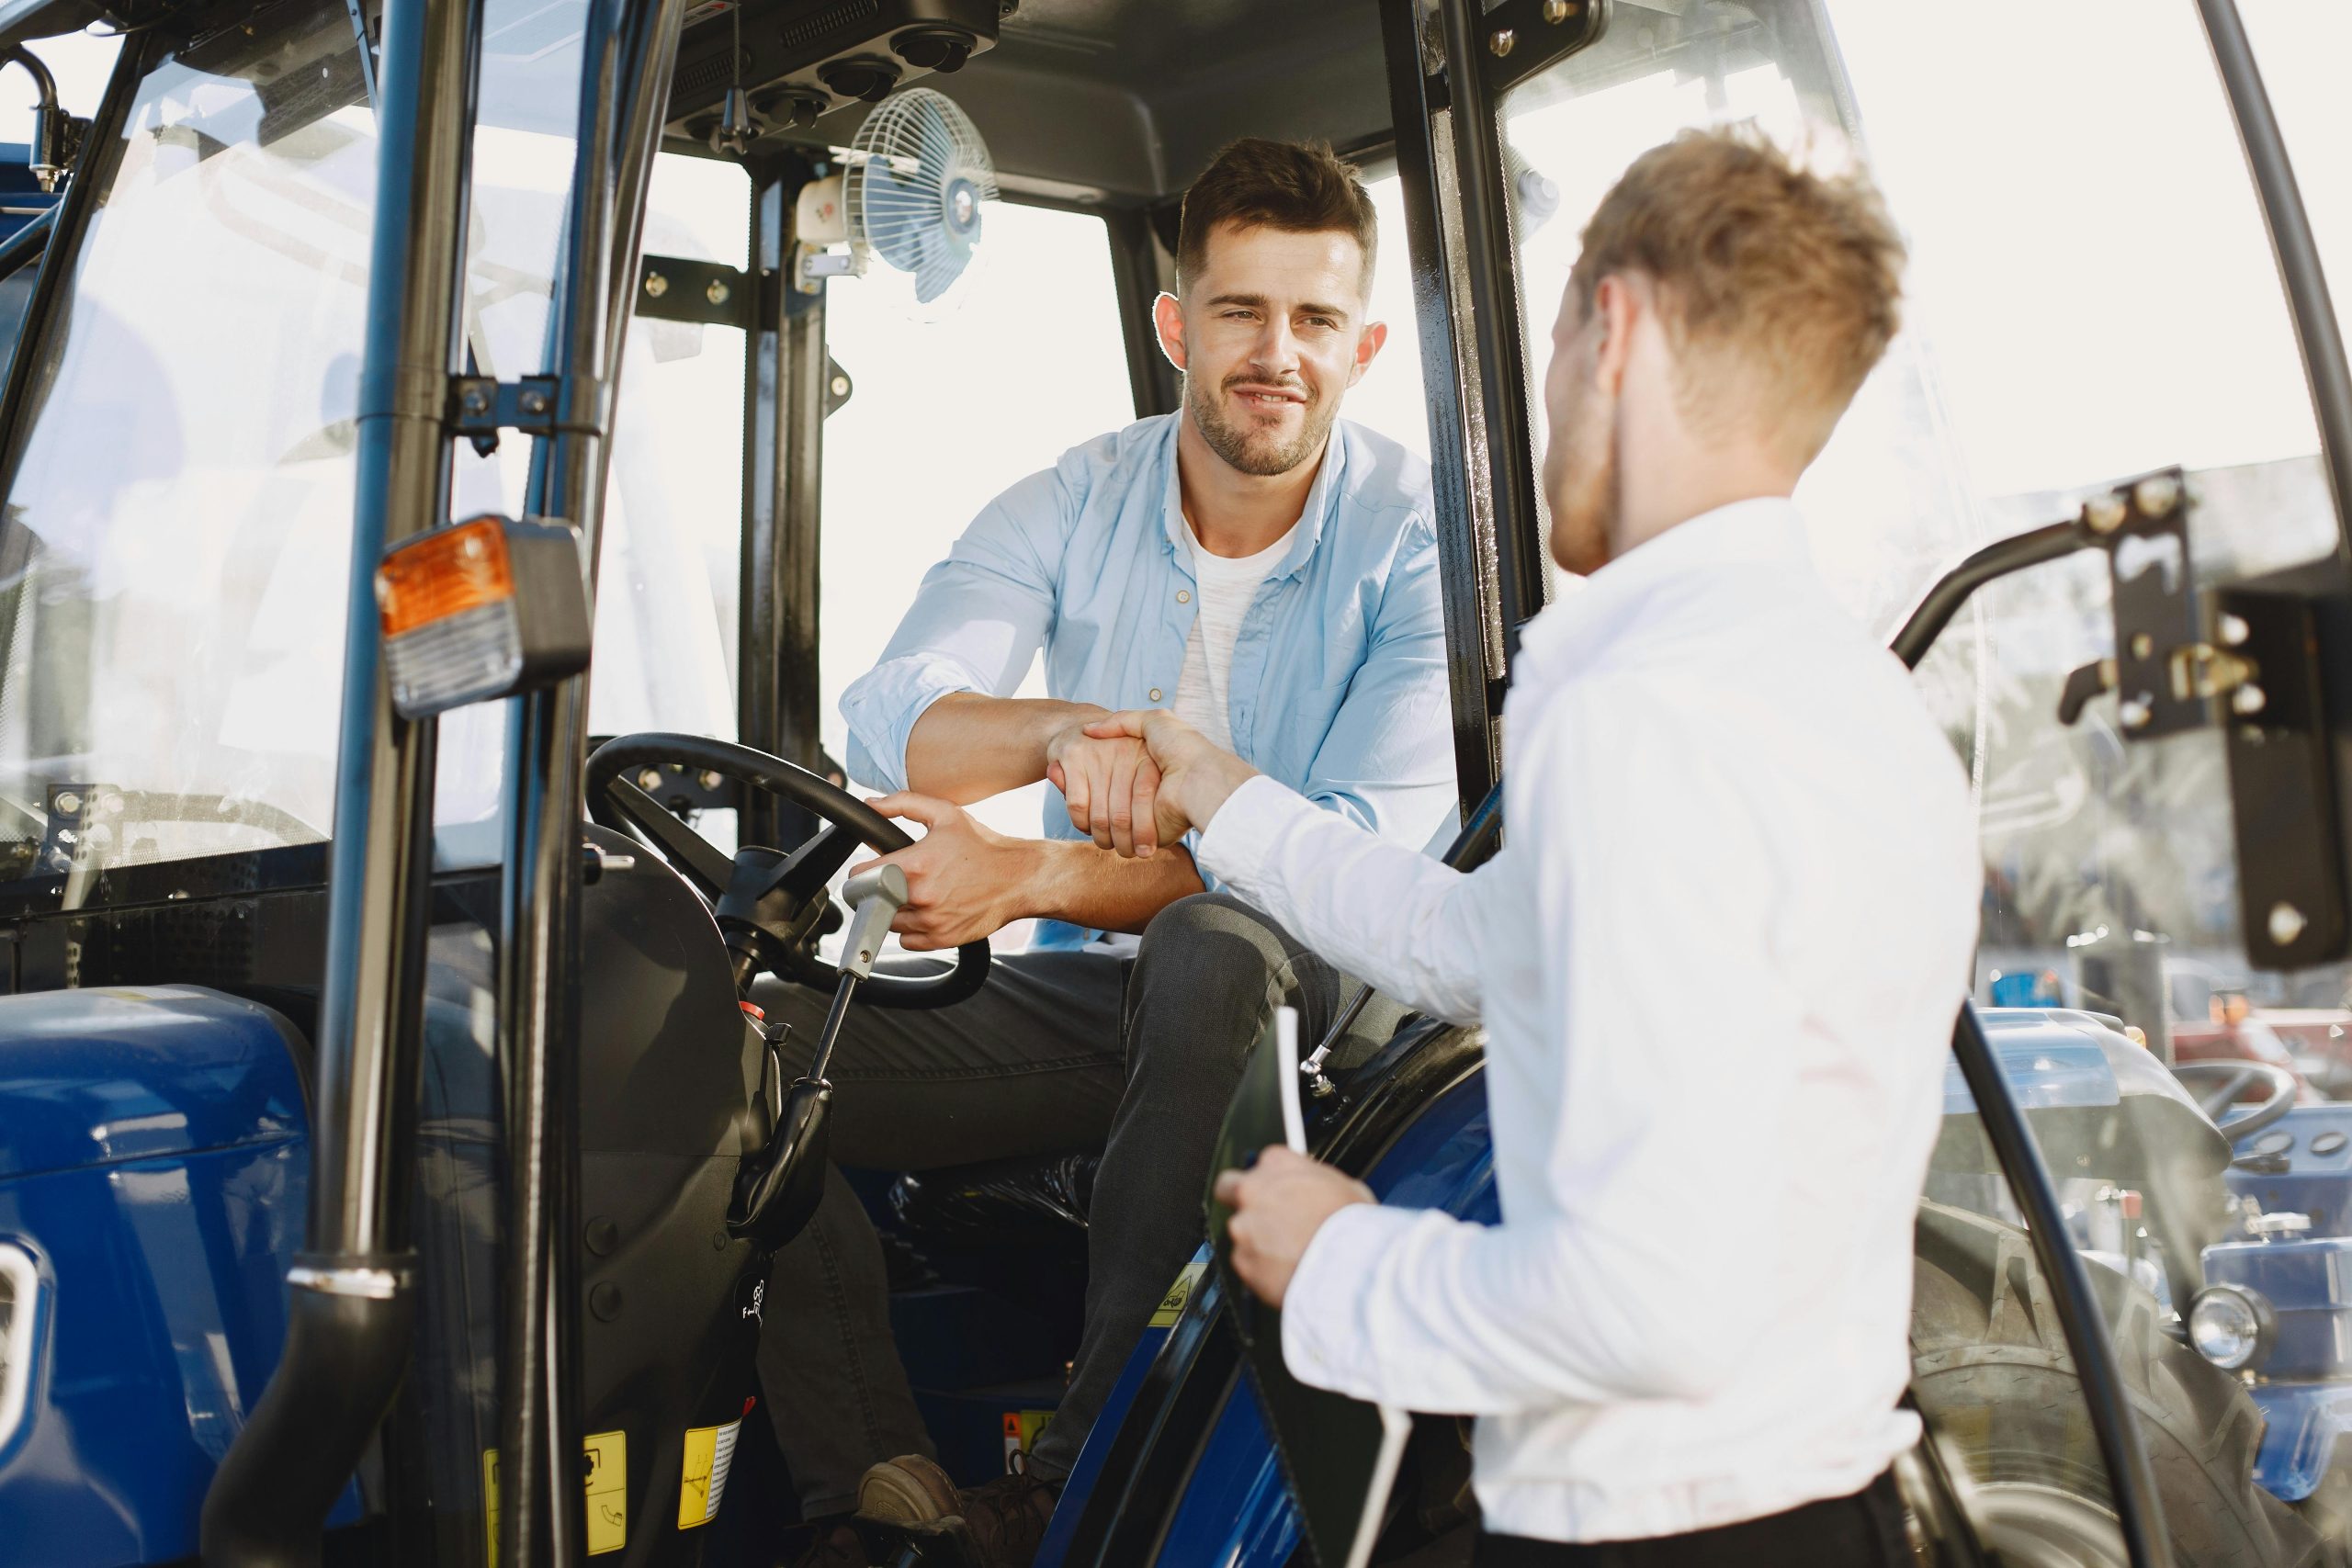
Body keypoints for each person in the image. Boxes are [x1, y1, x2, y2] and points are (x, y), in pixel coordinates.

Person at [1088, 127, 1980, 1566]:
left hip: (1639, 1537)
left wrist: (1336, 1261)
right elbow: (1476, 948)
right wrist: (1224, 792)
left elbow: (1646, 1304)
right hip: (1816, 1510)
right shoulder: (1844, 700)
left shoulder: (1646, 714)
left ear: (1609, 330)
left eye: (1553, 343)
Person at [751, 137, 1457, 1568]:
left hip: (1331, 1024)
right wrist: (1074, 731)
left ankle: (1067, 1499)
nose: (1278, 354)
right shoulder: (1078, 498)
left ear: (1365, 344)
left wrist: (1038, 875)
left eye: (1316, 321)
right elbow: (891, 715)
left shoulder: (1424, 547)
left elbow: (1346, 860)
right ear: (1176, 325)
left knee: (1210, 947)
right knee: (740, 1056)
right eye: (1244, 313)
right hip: (1104, 1002)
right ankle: (879, 1500)